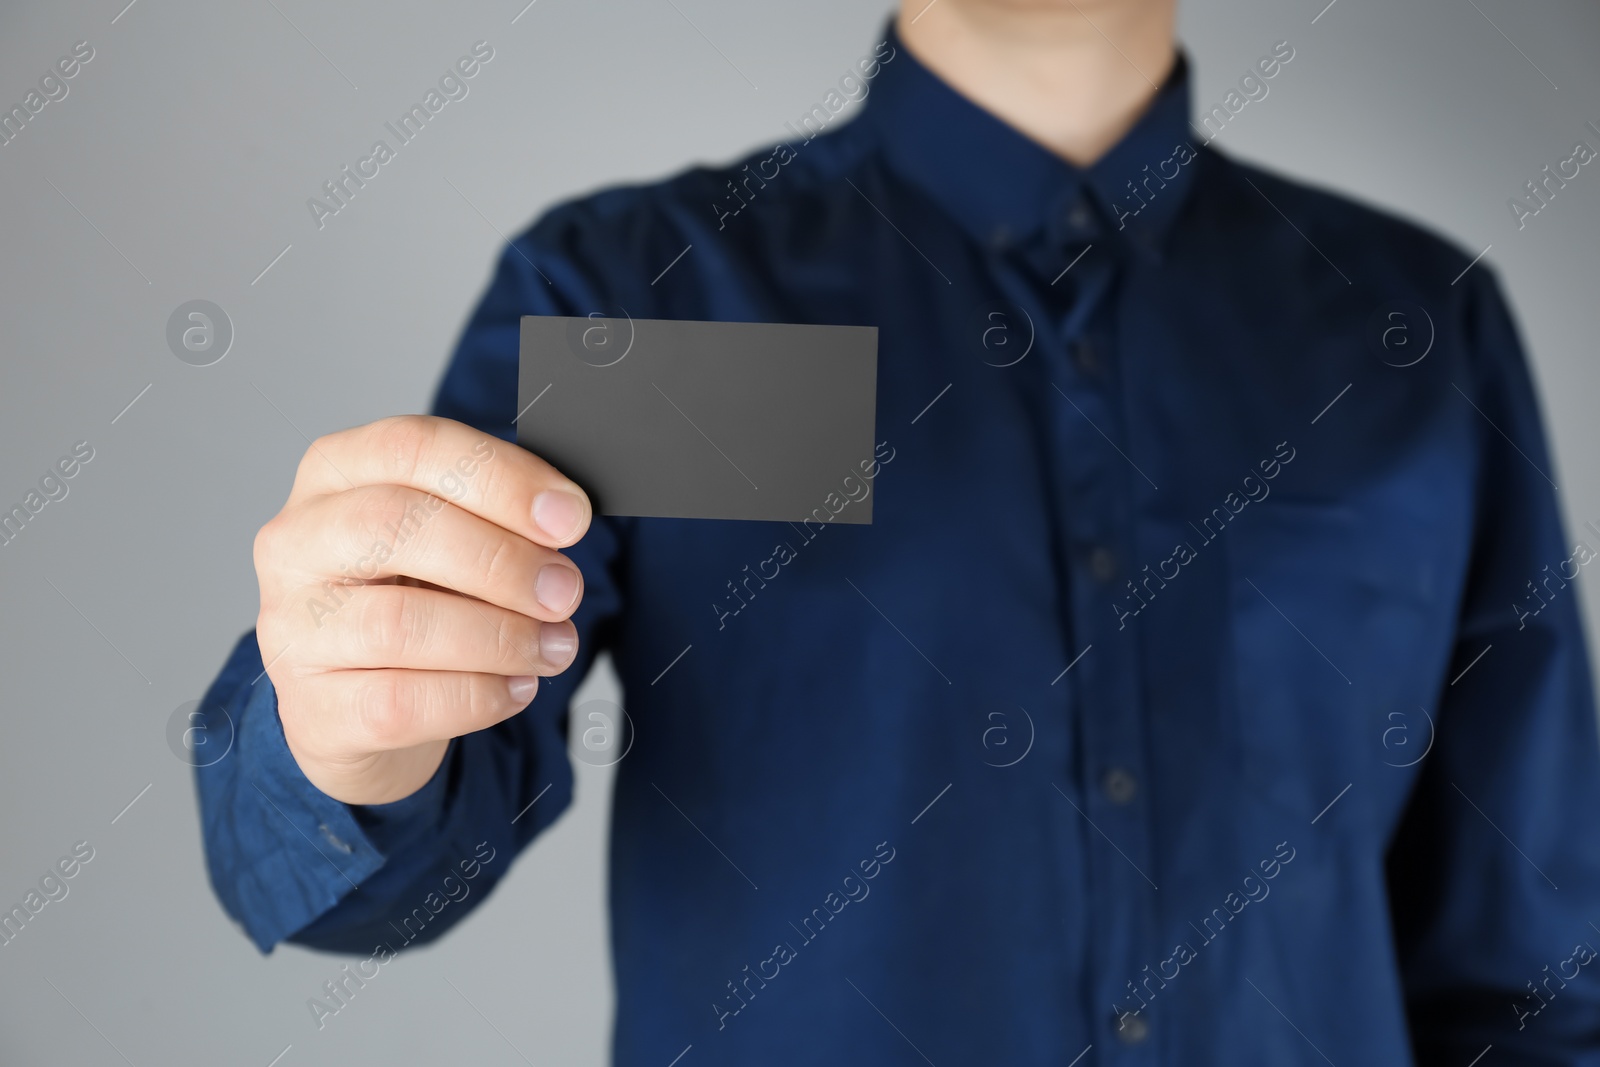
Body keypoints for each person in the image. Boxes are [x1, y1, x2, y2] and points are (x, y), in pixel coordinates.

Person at [195, 0, 1600, 1062]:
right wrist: (347, 729)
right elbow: (407, 831)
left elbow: (1537, 975)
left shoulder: (1414, 336)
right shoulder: (658, 300)